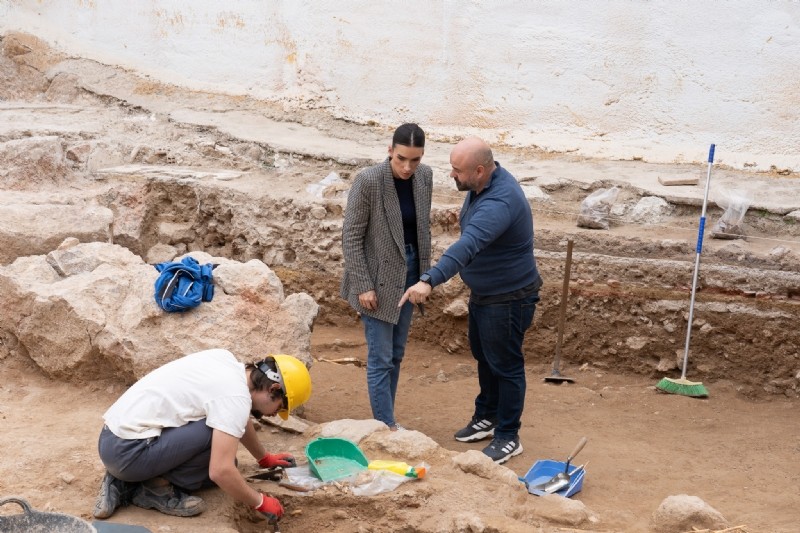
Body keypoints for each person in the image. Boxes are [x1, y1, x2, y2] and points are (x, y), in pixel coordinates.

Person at [399, 137, 542, 464]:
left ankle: (508, 435)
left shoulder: (499, 203)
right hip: (487, 293)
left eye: (457, 170)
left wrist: (429, 280)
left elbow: (467, 246)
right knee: (485, 355)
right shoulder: (482, 187)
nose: (452, 175)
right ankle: (488, 416)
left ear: (480, 170)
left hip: (509, 298)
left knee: (505, 365)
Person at [92, 349, 312, 525]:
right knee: (219, 459)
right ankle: (151, 488)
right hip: (128, 454)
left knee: (220, 449)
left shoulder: (226, 362)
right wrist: (260, 502)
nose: (275, 414)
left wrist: (264, 458)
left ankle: (124, 478)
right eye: (280, 406)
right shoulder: (235, 398)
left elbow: (238, 416)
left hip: (112, 438)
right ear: (273, 389)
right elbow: (221, 471)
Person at [340, 123, 433, 430]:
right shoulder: (369, 180)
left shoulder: (425, 178)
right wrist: (363, 285)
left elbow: (421, 231)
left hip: (410, 274)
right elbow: (351, 237)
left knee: (397, 353)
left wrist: (426, 277)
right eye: (401, 159)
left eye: (415, 160)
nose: (408, 167)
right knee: (380, 357)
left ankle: (386, 421)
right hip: (377, 279)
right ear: (390, 151)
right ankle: (386, 426)